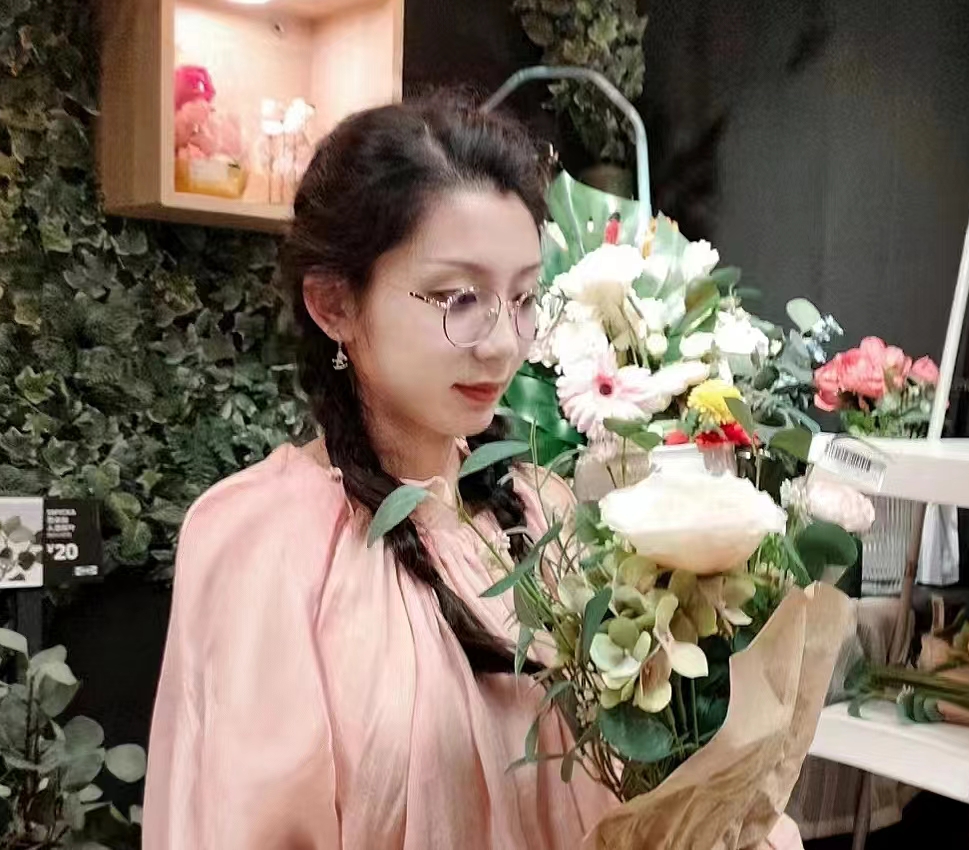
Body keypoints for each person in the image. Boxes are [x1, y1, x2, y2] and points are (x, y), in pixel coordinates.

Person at [144, 96, 804, 849]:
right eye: (460, 298)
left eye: (521, 298)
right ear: (334, 304)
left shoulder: (543, 512)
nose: (502, 344)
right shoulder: (266, 543)